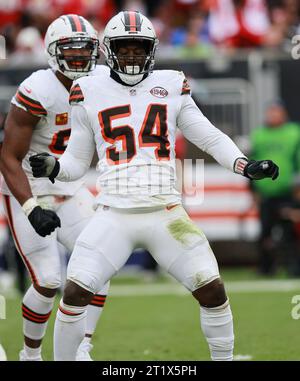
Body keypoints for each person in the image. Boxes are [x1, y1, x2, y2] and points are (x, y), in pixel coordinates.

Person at [30, 11, 279, 361]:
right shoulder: (87, 89)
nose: (132, 55)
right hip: (113, 214)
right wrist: (55, 167)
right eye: (124, 47)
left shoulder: (172, 83)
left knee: (213, 292)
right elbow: (74, 162)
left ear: (152, 49)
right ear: (109, 49)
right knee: (74, 293)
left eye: (138, 48)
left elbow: (207, 135)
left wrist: (243, 164)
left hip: (166, 212)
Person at [0, 14, 110, 361]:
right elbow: (8, 157)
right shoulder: (38, 89)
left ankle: (82, 347)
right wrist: (31, 208)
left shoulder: (102, 81)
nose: (79, 57)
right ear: (52, 52)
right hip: (29, 190)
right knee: (48, 280)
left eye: (85, 50)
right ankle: (30, 355)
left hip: (71, 185)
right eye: (71, 50)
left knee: (101, 262)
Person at [249, 101, 300, 274]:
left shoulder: (294, 133)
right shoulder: (259, 135)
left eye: (276, 112)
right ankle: (266, 268)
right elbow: (252, 163)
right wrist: (253, 190)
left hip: (288, 192)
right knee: (265, 233)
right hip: (266, 193)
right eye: (270, 112)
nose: (272, 116)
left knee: (290, 232)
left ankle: (293, 268)